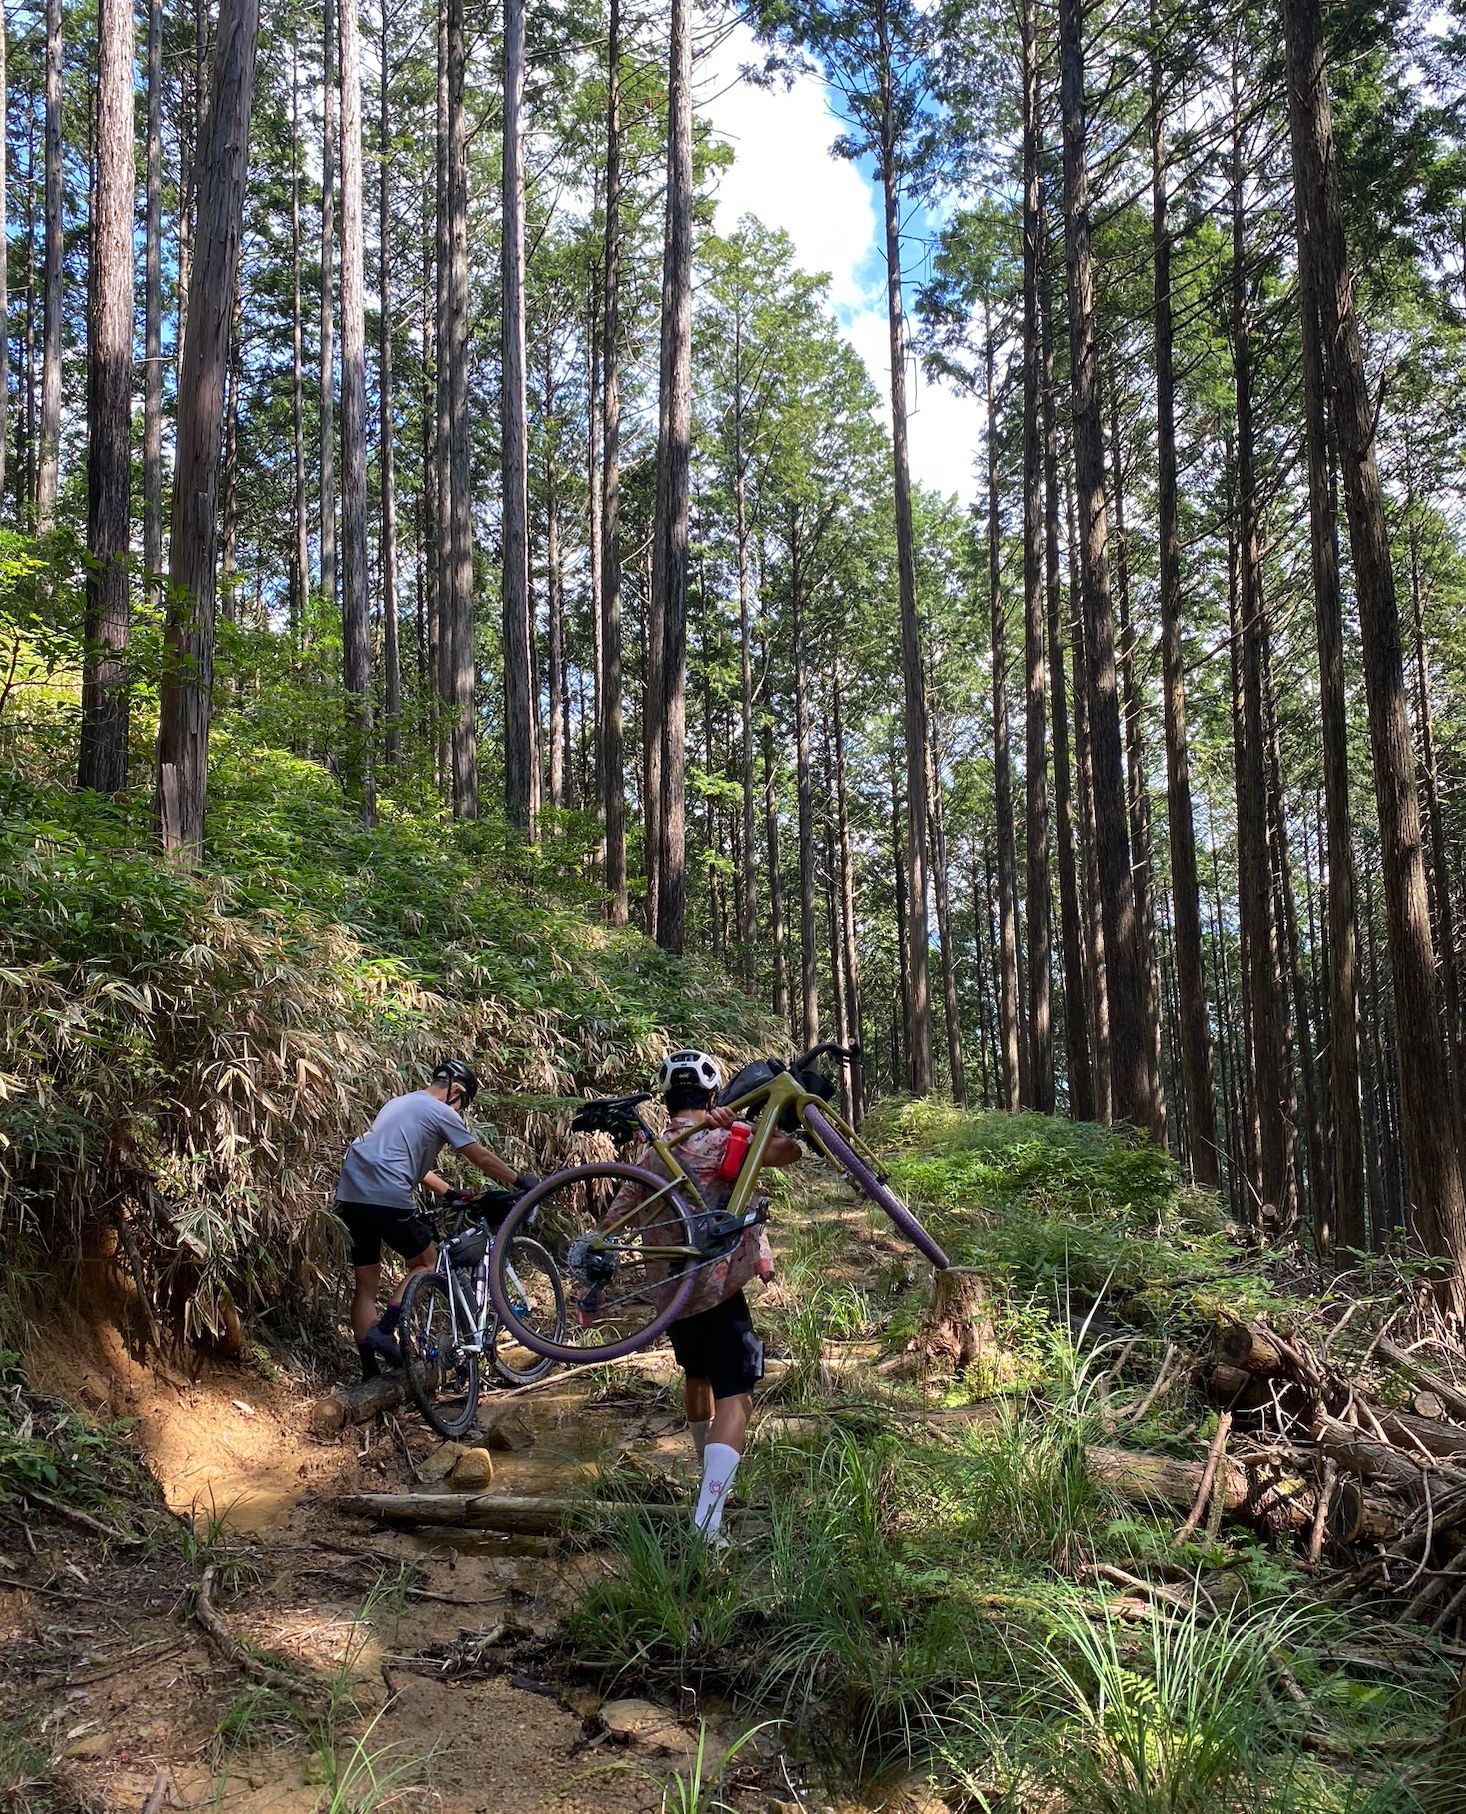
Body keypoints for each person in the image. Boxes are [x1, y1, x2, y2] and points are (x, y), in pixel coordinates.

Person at [612, 1048, 803, 1545]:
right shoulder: (723, 1139)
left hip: (670, 1295)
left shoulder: (653, 1152)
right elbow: (789, 1152)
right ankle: (709, 1521)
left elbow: (616, 1218)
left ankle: (704, 1482)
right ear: (713, 1094)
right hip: (717, 1290)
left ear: (667, 1098)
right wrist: (744, 1120)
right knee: (737, 1398)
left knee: (696, 1377)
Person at [334, 1058, 538, 1378]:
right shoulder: (442, 1111)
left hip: (351, 1194)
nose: (460, 1111)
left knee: (365, 1287)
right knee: (428, 1261)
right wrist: (519, 1181)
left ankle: (370, 1372)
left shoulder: (400, 1103)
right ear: (456, 1091)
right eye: (463, 1104)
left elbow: (411, 1164)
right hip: (387, 1195)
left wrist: (449, 1193)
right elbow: (479, 1156)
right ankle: (385, 1330)